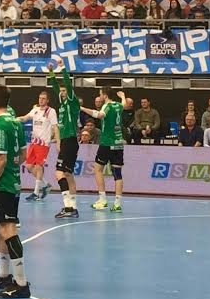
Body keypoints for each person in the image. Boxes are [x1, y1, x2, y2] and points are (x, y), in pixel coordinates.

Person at [0, 85, 31, 299]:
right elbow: (23, 155)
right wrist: (12, 168)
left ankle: (21, 283)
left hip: (3, 185)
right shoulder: (16, 122)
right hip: (13, 181)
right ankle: (3, 275)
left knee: (8, 229)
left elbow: (0, 158)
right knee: (1, 228)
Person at [80, 87, 133, 212]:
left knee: (98, 169)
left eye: (100, 94)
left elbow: (99, 115)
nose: (100, 96)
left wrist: (82, 108)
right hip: (118, 144)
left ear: (104, 95)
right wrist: (123, 96)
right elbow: (124, 104)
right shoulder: (118, 105)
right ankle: (117, 204)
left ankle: (102, 200)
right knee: (117, 174)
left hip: (107, 143)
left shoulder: (107, 106)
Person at [47, 63, 80, 219]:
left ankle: (67, 207)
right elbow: (56, 87)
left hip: (69, 140)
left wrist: (62, 68)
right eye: (61, 91)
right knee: (68, 174)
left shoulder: (72, 103)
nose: (61, 92)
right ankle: (73, 207)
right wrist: (51, 73)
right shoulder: (62, 103)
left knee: (59, 173)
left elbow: (68, 84)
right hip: (69, 142)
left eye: (64, 91)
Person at [17, 90, 57, 202]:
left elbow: (55, 127)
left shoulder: (51, 111)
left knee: (39, 166)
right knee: (29, 166)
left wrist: (57, 141)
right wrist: (15, 119)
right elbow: (25, 118)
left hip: (43, 143)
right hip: (34, 142)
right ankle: (46, 185)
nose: (41, 100)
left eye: (43, 98)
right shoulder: (35, 110)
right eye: (40, 98)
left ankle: (36, 192)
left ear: (47, 100)